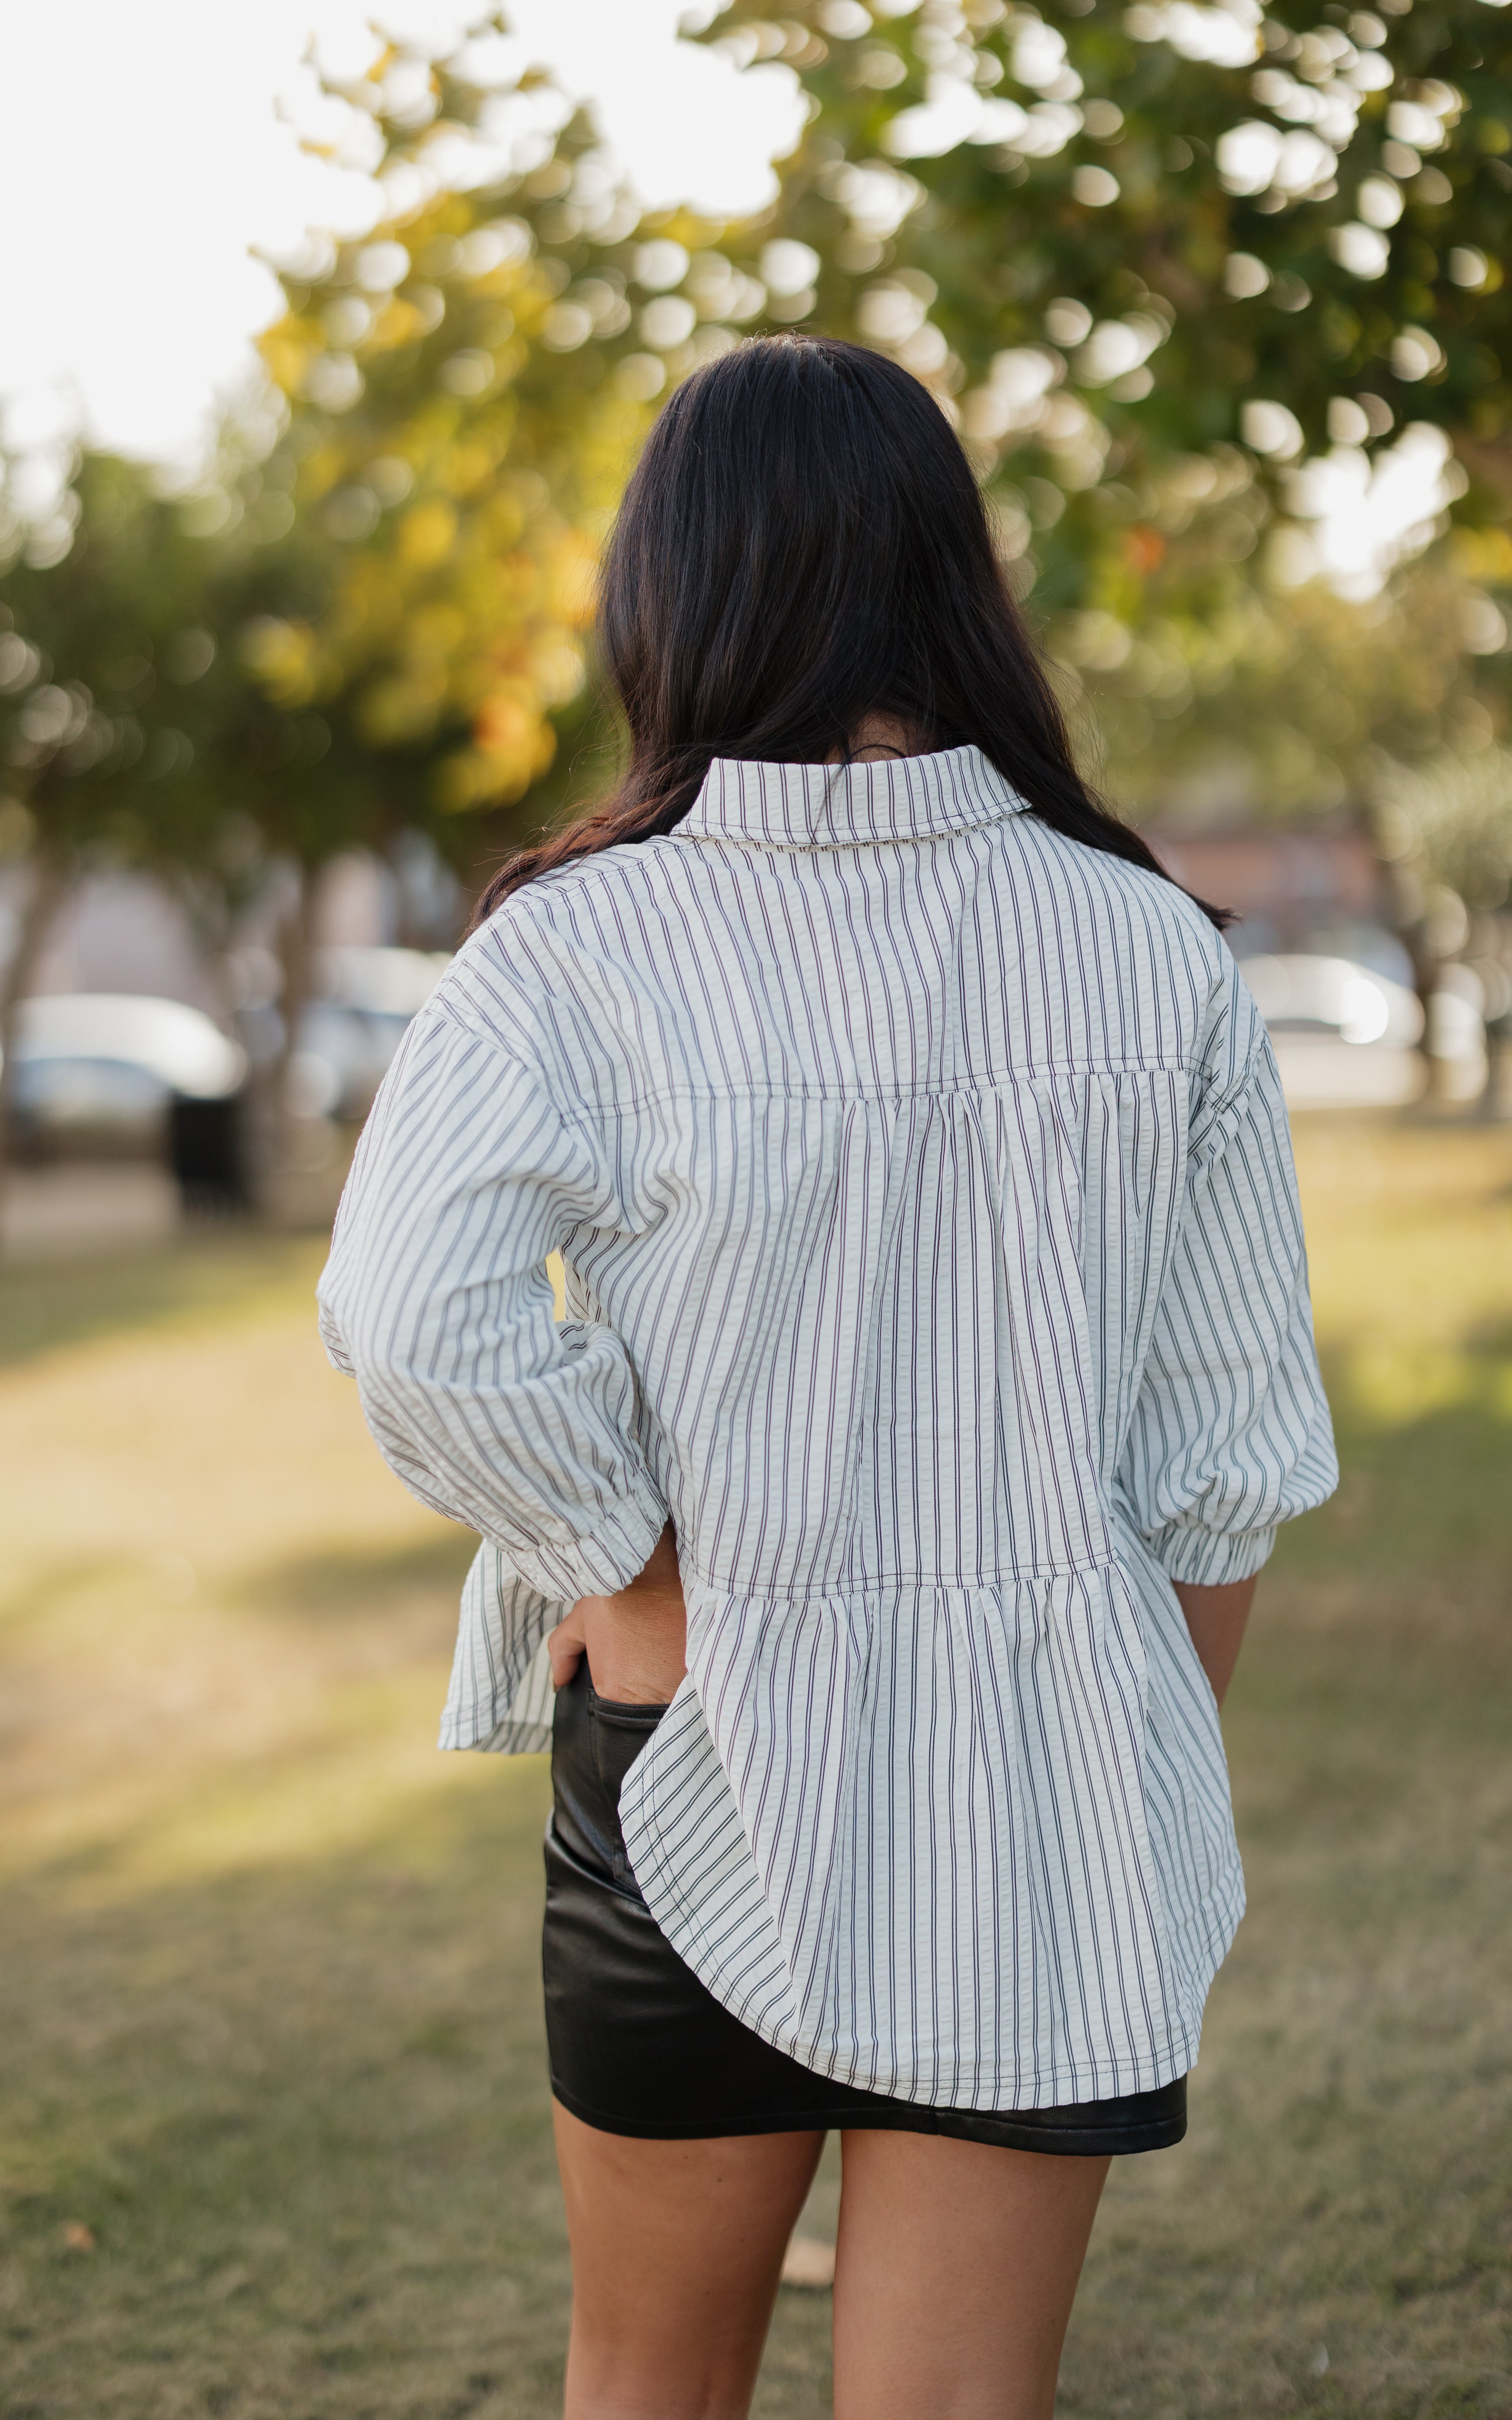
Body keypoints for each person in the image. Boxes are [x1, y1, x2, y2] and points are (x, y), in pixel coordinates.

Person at [317, 333, 1336, 2420]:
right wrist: (1113, 1750)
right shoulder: (1150, 940)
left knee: (648, 2388)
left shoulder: (574, 945)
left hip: (690, 1748)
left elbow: (411, 1315)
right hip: (1046, 1779)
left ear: (667, 595)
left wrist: (634, 1571)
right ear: (957, 578)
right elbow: (1224, 1461)